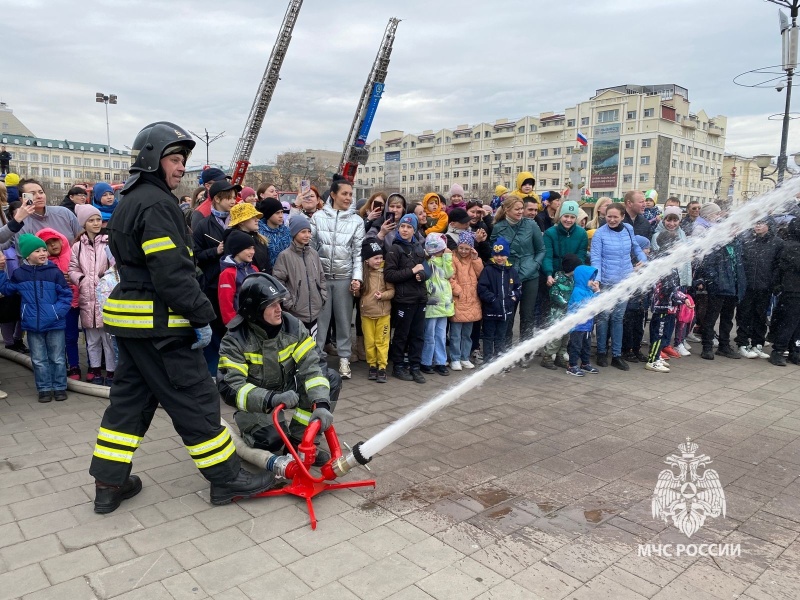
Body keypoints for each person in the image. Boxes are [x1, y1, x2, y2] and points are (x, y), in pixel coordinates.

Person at [90, 121, 274, 514]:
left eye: (184, 160)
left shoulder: (132, 200)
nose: (180, 167)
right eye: (174, 158)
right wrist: (201, 315)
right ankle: (227, 479)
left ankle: (109, 482)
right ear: (152, 159)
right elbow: (172, 271)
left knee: (129, 403)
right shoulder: (157, 204)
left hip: (133, 323)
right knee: (196, 399)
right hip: (162, 325)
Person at [217, 273, 340, 468]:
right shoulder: (235, 340)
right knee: (270, 441)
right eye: (271, 305)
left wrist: (322, 403)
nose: (279, 310)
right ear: (255, 310)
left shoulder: (292, 326)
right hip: (259, 401)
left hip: (288, 389)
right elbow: (232, 388)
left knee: (330, 378)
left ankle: (300, 442)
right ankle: (253, 430)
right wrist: (270, 399)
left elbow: (313, 365)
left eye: (280, 303)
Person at [0, 233, 72, 401]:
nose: (43, 253)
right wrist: (1, 270)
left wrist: (56, 312)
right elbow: (6, 289)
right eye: (37, 251)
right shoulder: (20, 274)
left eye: (43, 250)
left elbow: (66, 295)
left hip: (54, 323)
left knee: (58, 357)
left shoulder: (54, 272)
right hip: (33, 325)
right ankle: (44, 389)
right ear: (26, 255)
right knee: (38, 359)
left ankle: (60, 387)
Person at [310, 178, 364, 378]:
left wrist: (356, 278)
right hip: (322, 279)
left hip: (344, 278)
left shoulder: (357, 221)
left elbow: (357, 253)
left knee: (343, 321)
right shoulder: (317, 217)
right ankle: (316, 361)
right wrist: (313, 276)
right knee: (321, 321)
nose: (348, 198)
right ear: (333, 194)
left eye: (351, 194)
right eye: (344, 194)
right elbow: (310, 249)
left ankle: (344, 360)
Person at [591, 203, 647, 370]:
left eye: (616, 217)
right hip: (606, 282)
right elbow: (596, 258)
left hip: (625, 281)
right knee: (603, 318)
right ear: (605, 216)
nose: (612, 220)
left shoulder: (628, 229)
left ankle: (616, 355)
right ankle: (601, 352)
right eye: (609, 216)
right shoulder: (599, 234)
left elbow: (636, 248)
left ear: (623, 217)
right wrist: (597, 280)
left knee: (618, 318)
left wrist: (644, 260)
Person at [491, 196, 545, 367]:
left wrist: (534, 265)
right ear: (506, 210)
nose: (521, 212)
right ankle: (506, 352)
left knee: (527, 315)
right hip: (508, 276)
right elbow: (494, 253)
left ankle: (524, 353)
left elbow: (541, 249)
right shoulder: (498, 228)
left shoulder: (531, 225)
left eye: (522, 208)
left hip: (530, 275)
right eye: (517, 209)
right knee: (508, 315)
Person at [193, 179, 240, 377]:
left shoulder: (238, 222)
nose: (233, 201)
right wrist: (215, 251)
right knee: (214, 328)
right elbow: (195, 255)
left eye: (234, 197)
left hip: (236, 284)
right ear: (217, 199)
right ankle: (212, 372)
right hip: (212, 285)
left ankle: (233, 371)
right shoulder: (204, 225)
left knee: (232, 326)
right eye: (228, 198)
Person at [68, 205, 115, 385]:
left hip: (106, 296)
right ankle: (95, 370)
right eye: (91, 220)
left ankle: (111, 371)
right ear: (83, 224)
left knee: (108, 339)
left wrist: (105, 276)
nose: (96, 223)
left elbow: (116, 264)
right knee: (92, 339)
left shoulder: (109, 242)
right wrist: (81, 279)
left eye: (98, 219)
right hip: (87, 298)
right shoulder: (78, 246)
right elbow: (73, 268)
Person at [384, 213, 428, 383]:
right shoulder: (395, 249)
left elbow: (426, 270)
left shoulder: (418, 248)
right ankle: (398, 366)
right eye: (402, 226)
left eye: (409, 227)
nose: (405, 229)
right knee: (402, 334)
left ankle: (415, 367)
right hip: (404, 300)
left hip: (420, 298)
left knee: (418, 334)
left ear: (414, 230)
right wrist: (412, 272)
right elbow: (389, 275)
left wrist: (422, 275)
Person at [694, 221, 746, 361]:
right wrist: (716, 281)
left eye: (734, 227)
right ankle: (707, 347)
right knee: (711, 318)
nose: (732, 231)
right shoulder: (715, 245)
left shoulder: (738, 244)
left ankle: (724, 346)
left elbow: (741, 265)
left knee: (728, 319)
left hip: (734, 288)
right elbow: (707, 266)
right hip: (719, 288)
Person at [37, 227, 81, 380]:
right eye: (48, 243)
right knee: (56, 339)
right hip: (52, 306)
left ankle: (74, 365)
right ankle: (60, 366)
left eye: (55, 241)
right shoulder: (43, 263)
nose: (53, 245)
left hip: (72, 304)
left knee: (71, 336)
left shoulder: (71, 256)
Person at [735, 218, 782, 359]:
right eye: (756, 223)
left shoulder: (777, 243)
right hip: (747, 285)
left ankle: (758, 343)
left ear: (769, 226)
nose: (758, 226)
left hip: (765, 286)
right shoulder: (746, 241)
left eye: (761, 223)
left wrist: (774, 283)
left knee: (761, 316)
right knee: (744, 314)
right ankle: (742, 343)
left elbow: (777, 266)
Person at [272, 214, 326, 337]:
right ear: (294, 233)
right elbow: (278, 281)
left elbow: (321, 277)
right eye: (303, 232)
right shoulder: (285, 256)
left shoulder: (313, 254)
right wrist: (289, 302)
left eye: (309, 232)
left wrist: (322, 296)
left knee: (312, 342)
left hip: (314, 310)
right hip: (296, 312)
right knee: (297, 343)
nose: (307, 235)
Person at [643, 232, 688, 373]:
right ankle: (653, 360)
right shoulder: (665, 261)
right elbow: (669, 287)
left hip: (665, 304)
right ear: (669, 245)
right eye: (676, 243)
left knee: (659, 331)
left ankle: (655, 356)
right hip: (662, 305)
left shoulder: (666, 258)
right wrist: (683, 298)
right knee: (658, 333)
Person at [0, 178, 80, 248]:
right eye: (32, 194)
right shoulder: (19, 223)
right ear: (22, 199)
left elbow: (81, 239)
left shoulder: (64, 213)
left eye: (41, 192)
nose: (39, 196)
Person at [478, 236, 521, 365]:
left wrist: (513, 297)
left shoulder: (512, 271)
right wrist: (492, 299)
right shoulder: (488, 270)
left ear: (507, 255)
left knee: (501, 337)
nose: (499, 258)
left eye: (502, 255)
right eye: (496, 255)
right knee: (488, 337)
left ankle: (498, 362)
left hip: (505, 312)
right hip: (490, 311)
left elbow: (518, 287)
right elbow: (482, 288)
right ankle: (487, 361)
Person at [359, 240, 394, 383]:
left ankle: (382, 367)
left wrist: (383, 296)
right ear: (367, 260)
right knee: (370, 341)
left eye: (381, 257)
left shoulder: (385, 273)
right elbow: (357, 294)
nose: (379, 261)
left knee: (382, 341)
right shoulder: (362, 274)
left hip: (383, 313)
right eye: (376, 258)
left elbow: (391, 291)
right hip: (366, 314)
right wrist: (354, 289)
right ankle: (372, 365)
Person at [448, 231, 482, 371]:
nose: (463, 251)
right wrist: (458, 291)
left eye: (467, 248)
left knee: (467, 334)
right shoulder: (452, 258)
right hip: (459, 300)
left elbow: (480, 274)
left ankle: (465, 357)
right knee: (455, 334)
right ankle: (455, 358)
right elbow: (450, 277)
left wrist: (475, 259)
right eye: (461, 248)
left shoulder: (473, 260)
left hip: (472, 301)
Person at [421, 233, 454, 375]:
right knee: (429, 335)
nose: (443, 252)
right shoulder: (428, 263)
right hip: (432, 305)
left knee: (440, 335)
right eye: (441, 250)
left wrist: (447, 258)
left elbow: (449, 273)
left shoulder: (445, 261)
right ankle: (426, 361)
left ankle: (440, 362)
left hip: (445, 305)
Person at [540, 253, 581, 370]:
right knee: (556, 337)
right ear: (571, 267)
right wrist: (566, 304)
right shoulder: (558, 279)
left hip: (568, 315)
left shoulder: (573, 280)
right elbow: (554, 295)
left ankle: (560, 356)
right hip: (557, 315)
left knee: (565, 337)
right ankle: (547, 357)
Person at [769, 218, 800, 366]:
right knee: (789, 323)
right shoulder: (792, 247)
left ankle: (795, 350)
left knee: (796, 324)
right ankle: (778, 351)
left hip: (793, 290)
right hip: (792, 291)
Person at [0, 201, 27, 353]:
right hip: (7, 283)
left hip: (22, 282)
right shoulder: (6, 244)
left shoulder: (23, 235)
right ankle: (9, 343)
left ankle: (18, 339)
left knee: (21, 314)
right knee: (7, 314)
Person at [565, 263, 600, 376]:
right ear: (582, 279)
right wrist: (596, 294)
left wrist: (597, 292)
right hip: (577, 326)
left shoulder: (589, 291)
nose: (592, 281)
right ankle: (572, 366)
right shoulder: (578, 291)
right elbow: (586, 306)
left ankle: (585, 364)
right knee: (576, 346)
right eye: (590, 279)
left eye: (593, 278)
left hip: (587, 325)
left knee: (586, 345)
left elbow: (597, 304)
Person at [217, 229, 258, 326]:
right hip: (239, 323)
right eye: (248, 248)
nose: (252, 252)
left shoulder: (254, 269)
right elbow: (226, 303)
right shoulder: (228, 273)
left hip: (255, 321)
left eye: (253, 248)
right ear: (237, 250)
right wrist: (233, 325)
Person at [227, 202, 271, 274]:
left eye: (256, 216)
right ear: (241, 222)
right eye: (253, 217)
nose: (257, 220)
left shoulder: (257, 237)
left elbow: (267, 263)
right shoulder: (234, 240)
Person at [258, 197, 292, 268]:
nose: (281, 216)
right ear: (268, 214)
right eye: (277, 213)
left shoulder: (287, 231)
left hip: (288, 271)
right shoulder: (260, 233)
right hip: (269, 274)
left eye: (282, 212)